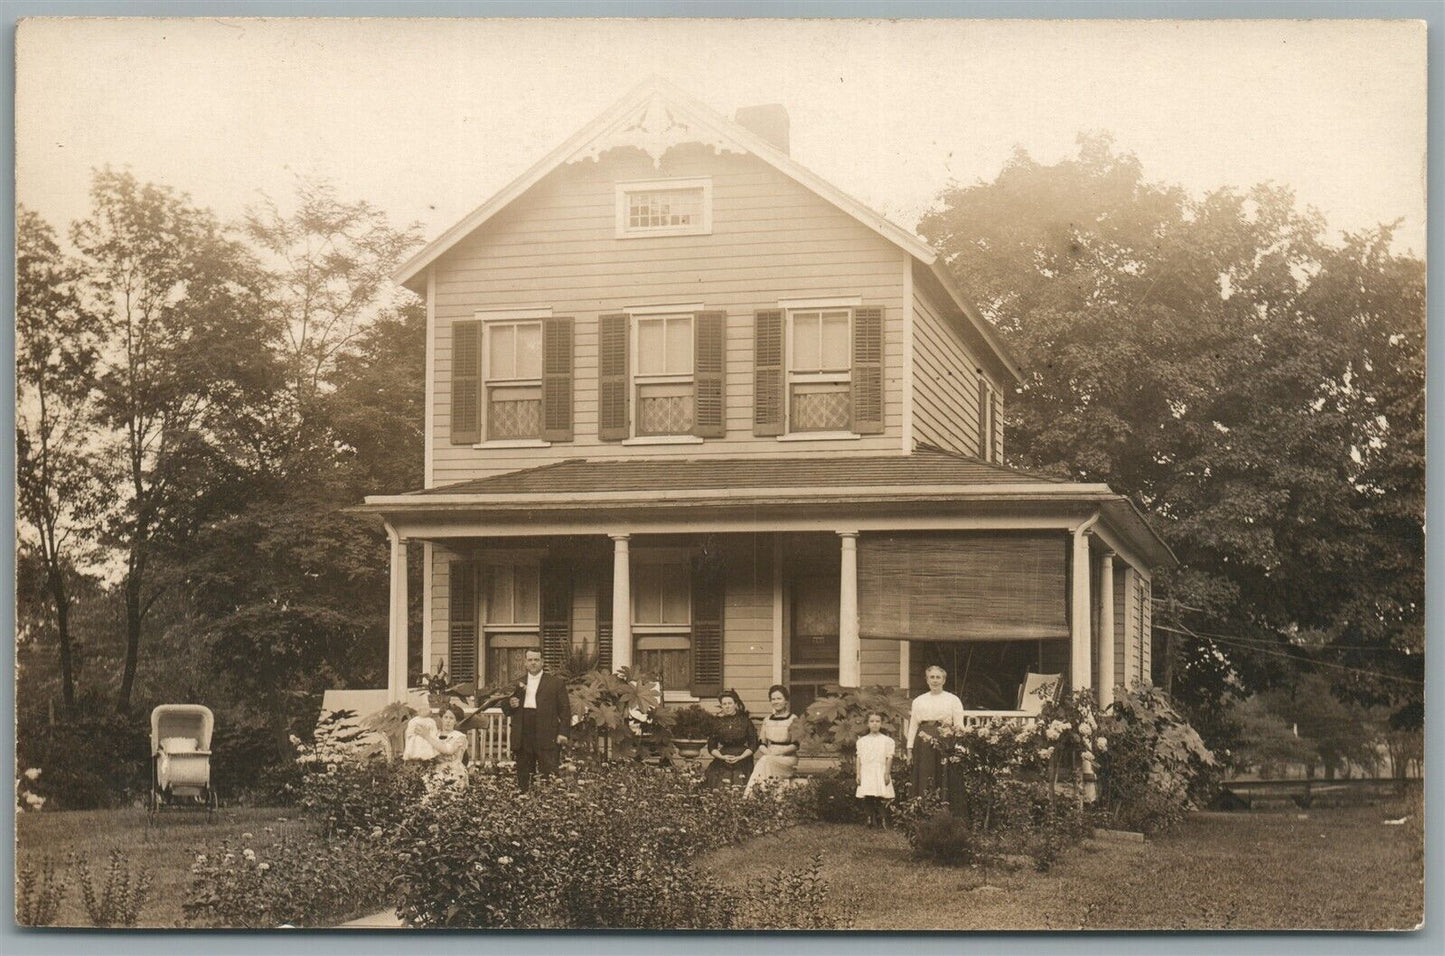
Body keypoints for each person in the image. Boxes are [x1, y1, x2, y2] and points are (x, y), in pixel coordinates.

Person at [499, 647, 572, 792]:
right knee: (524, 777)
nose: (533, 663)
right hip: (523, 733)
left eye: (536, 660)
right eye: (530, 660)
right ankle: (525, 803)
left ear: (542, 662)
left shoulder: (555, 683)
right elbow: (506, 708)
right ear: (525, 662)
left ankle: (548, 805)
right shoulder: (517, 682)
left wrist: (563, 733)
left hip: (547, 734)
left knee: (549, 775)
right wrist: (510, 703)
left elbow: (565, 710)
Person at [906, 665, 966, 797]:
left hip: (945, 741)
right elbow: (913, 726)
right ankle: (923, 807)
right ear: (927, 680)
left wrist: (958, 749)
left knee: (944, 774)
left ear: (944, 680)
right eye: (931, 677)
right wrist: (909, 749)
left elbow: (959, 725)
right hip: (923, 743)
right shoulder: (918, 701)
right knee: (924, 773)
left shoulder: (953, 700)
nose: (935, 680)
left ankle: (944, 811)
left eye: (938, 677)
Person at [744, 684, 801, 796]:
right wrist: (769, 753)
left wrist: (777, 753)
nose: (776, 701)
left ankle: (751, 796)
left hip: (787, 758)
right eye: (773, 699)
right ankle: (762, 796)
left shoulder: (793, 719)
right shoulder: (767, 720)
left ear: (786, 701)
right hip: (770, 756)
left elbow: (796, 744)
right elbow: (761, 743)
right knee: (766, 761)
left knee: (765, 762)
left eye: (779, 698)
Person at [704, 689, 758, 789]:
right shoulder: (717, 723)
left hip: (743, 757)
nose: (727, 706)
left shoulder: (745, 721)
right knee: (716, 778)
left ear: (735, 704)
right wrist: (722, 757)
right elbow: (711, 747)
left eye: (730, 703)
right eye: (724, 704)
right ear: (721, 706)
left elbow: (753, 744)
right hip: (723, 757)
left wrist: (740, 757)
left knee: (740, 779)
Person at [855, 711, 896, 827]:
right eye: (872, 721)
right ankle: (869, 819)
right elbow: (859, 758)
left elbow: (889, 757)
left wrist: (887, 773)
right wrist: (858, 773)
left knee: (881, 794)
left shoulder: (887, 741)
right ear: (867, 724)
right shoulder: (862, 741)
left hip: (880, 770)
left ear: (881, 723)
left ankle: (882, 819)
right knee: (868, 794)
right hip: (867, 770)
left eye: (877, 721)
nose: (875, 724)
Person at [428, 705, 470, 790]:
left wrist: (426, 737)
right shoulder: (435, 735)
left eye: (451, 718)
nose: (448, 721)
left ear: (456, 721)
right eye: (445, 717)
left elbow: (449, 750)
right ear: (441, 719)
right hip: (436, 770)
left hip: (454, 771)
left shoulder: (460, 737)